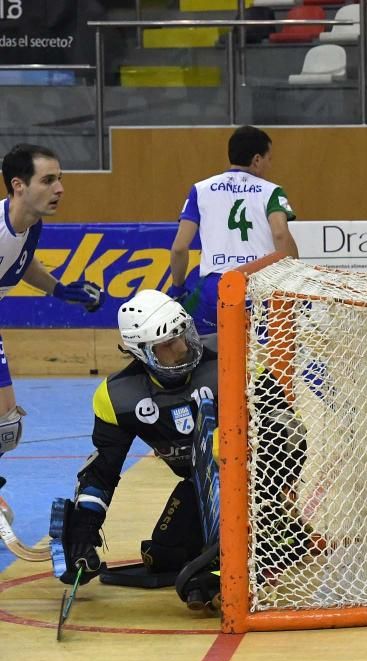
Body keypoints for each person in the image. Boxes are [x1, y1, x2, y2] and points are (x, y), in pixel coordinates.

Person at [54, 290, 313, 609]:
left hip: (250, 481)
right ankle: (239, 551)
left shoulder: (234, 355)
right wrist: (83, 529)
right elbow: (102, 472)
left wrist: (241, 455)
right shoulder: (116, 398)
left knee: (280, 431)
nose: (181, 348)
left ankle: (270, 524)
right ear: (141, 352)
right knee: (165, 559)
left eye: (182, 336)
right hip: (198, 487)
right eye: (166, 345)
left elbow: (289, 431)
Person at [0, 144, 105, 469]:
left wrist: (58, 289)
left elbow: (22, 260)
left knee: (6, 428)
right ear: (19, 185)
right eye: (48, 180)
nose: (59, 188)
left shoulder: (32, 225)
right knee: (5, 426)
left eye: (59, 179)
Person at [169, 125, 299, 335]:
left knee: (198, 352)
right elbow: (280, 234)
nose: (269, 164)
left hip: (214, 290)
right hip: (257, 289)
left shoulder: (200, 190)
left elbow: (179, 248)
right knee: (263, 359)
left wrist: (177, 288)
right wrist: (294, 279)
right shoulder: (271, 191)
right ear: (257, 160)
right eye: (269, 158)